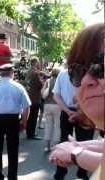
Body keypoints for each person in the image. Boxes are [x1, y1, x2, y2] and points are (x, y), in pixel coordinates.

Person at [49, 23, 104, 179]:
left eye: (101, 66)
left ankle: (80, 174)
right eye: (76, 72)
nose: (86, 80)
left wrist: (76, 154)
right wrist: (79, 147)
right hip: (74, 111)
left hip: (76, 111)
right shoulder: (62, 75)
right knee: (71, 139)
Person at [0, 64, 31, 180]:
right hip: (12, 120)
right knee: (13, 151)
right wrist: (24, 122)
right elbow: (27, 107)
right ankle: (12, 177)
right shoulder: (18, 87)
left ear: (1, 73)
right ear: (11, 73)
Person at [41, 68, 61, 152]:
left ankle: (47, 146)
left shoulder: (48, 81)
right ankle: (56, 147)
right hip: (58, 106)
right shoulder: (60, 81)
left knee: (48, 126)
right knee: (57, 126)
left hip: (47, 105)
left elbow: (42, 93)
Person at [25, 58, 43, 139]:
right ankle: (31, 134)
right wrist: (42, 82)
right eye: (38, 62)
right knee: (33, 117)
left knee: (30, 116)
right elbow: (39, 85)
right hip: (35, 98)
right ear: (35, 63)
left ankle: (29, 133)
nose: (39, 64)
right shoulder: (35, 73)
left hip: (29, 96)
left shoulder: (28, 72)